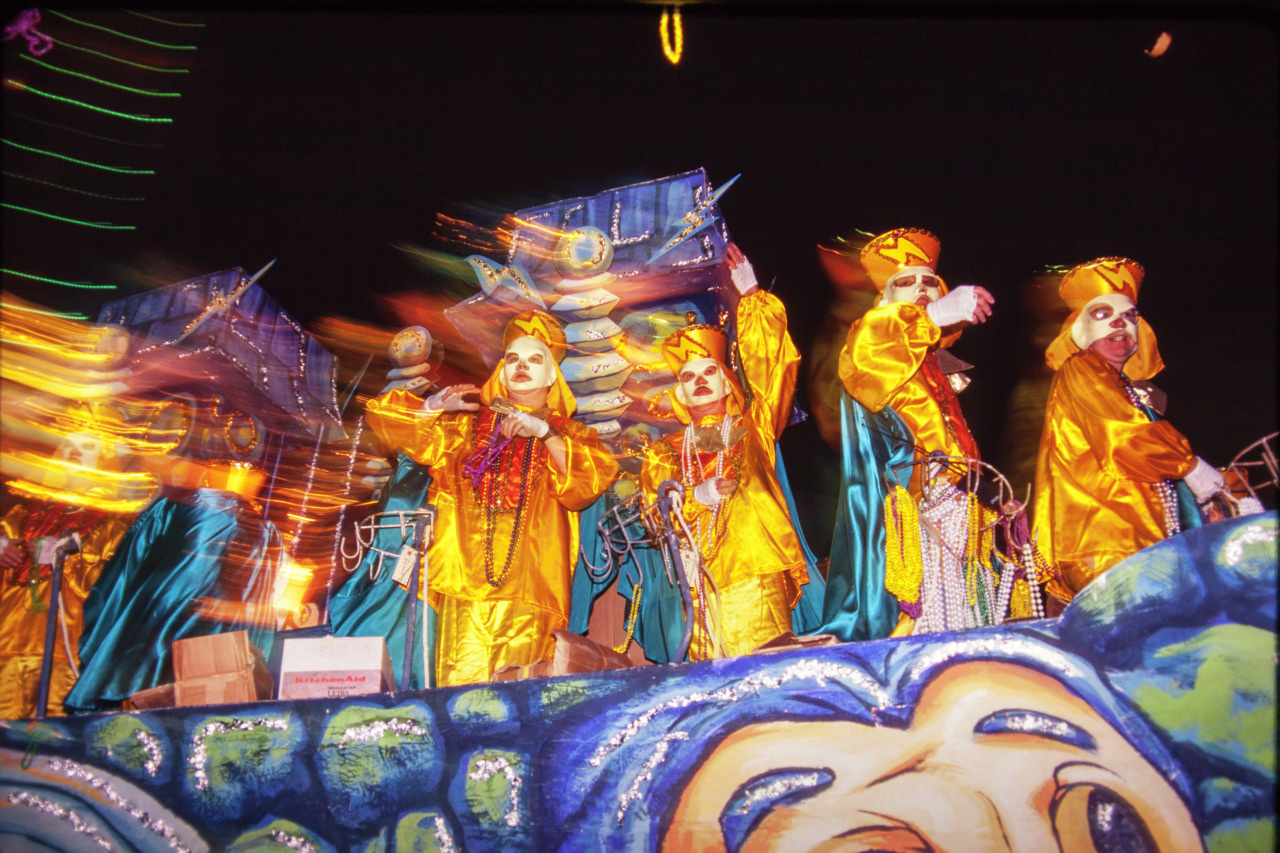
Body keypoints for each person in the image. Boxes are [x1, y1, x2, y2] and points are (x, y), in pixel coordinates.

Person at [364, 310, 617, 686]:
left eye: (535, 360)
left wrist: (545, 432)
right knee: (461, 696)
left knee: (525, 694)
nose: (521, 366)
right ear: (500, 370)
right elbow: (387, 423)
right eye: (512, 358)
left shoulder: (571, 434)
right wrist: (433, 407)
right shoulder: (464, 428)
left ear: (552, 376)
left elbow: (586, 482)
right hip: (463, 585)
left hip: (534, 589)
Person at [822, 227, 995, 641]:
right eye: (906, 282)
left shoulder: (931, 360)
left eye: (930, 282)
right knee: (922, 623)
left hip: (957, 510)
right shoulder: (874, 333)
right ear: (885, 298)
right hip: (910, 513)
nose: (921, 288)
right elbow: (866, 364)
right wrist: (932, 317)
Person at [638, 244, 808, 660]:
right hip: (698, 577)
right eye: (689, 375)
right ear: (679, 391)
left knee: (763, 678)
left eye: (709, 370)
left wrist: (751, 298)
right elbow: (651, 518)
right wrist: (694, 499)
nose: (699, 380)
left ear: (727, 379)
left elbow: (774, 366)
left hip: (756, 567)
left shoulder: (755, 425)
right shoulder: (663, 452)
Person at [1034, 256, 1223, 602]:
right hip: (1107, 543)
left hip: (1136, 546)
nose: (1119, 325)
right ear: (1081, 328)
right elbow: (1124, 437)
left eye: (1129, 316)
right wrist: (1191, 467)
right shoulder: (1083, 369)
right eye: (1103, 315)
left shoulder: (1124, 387)